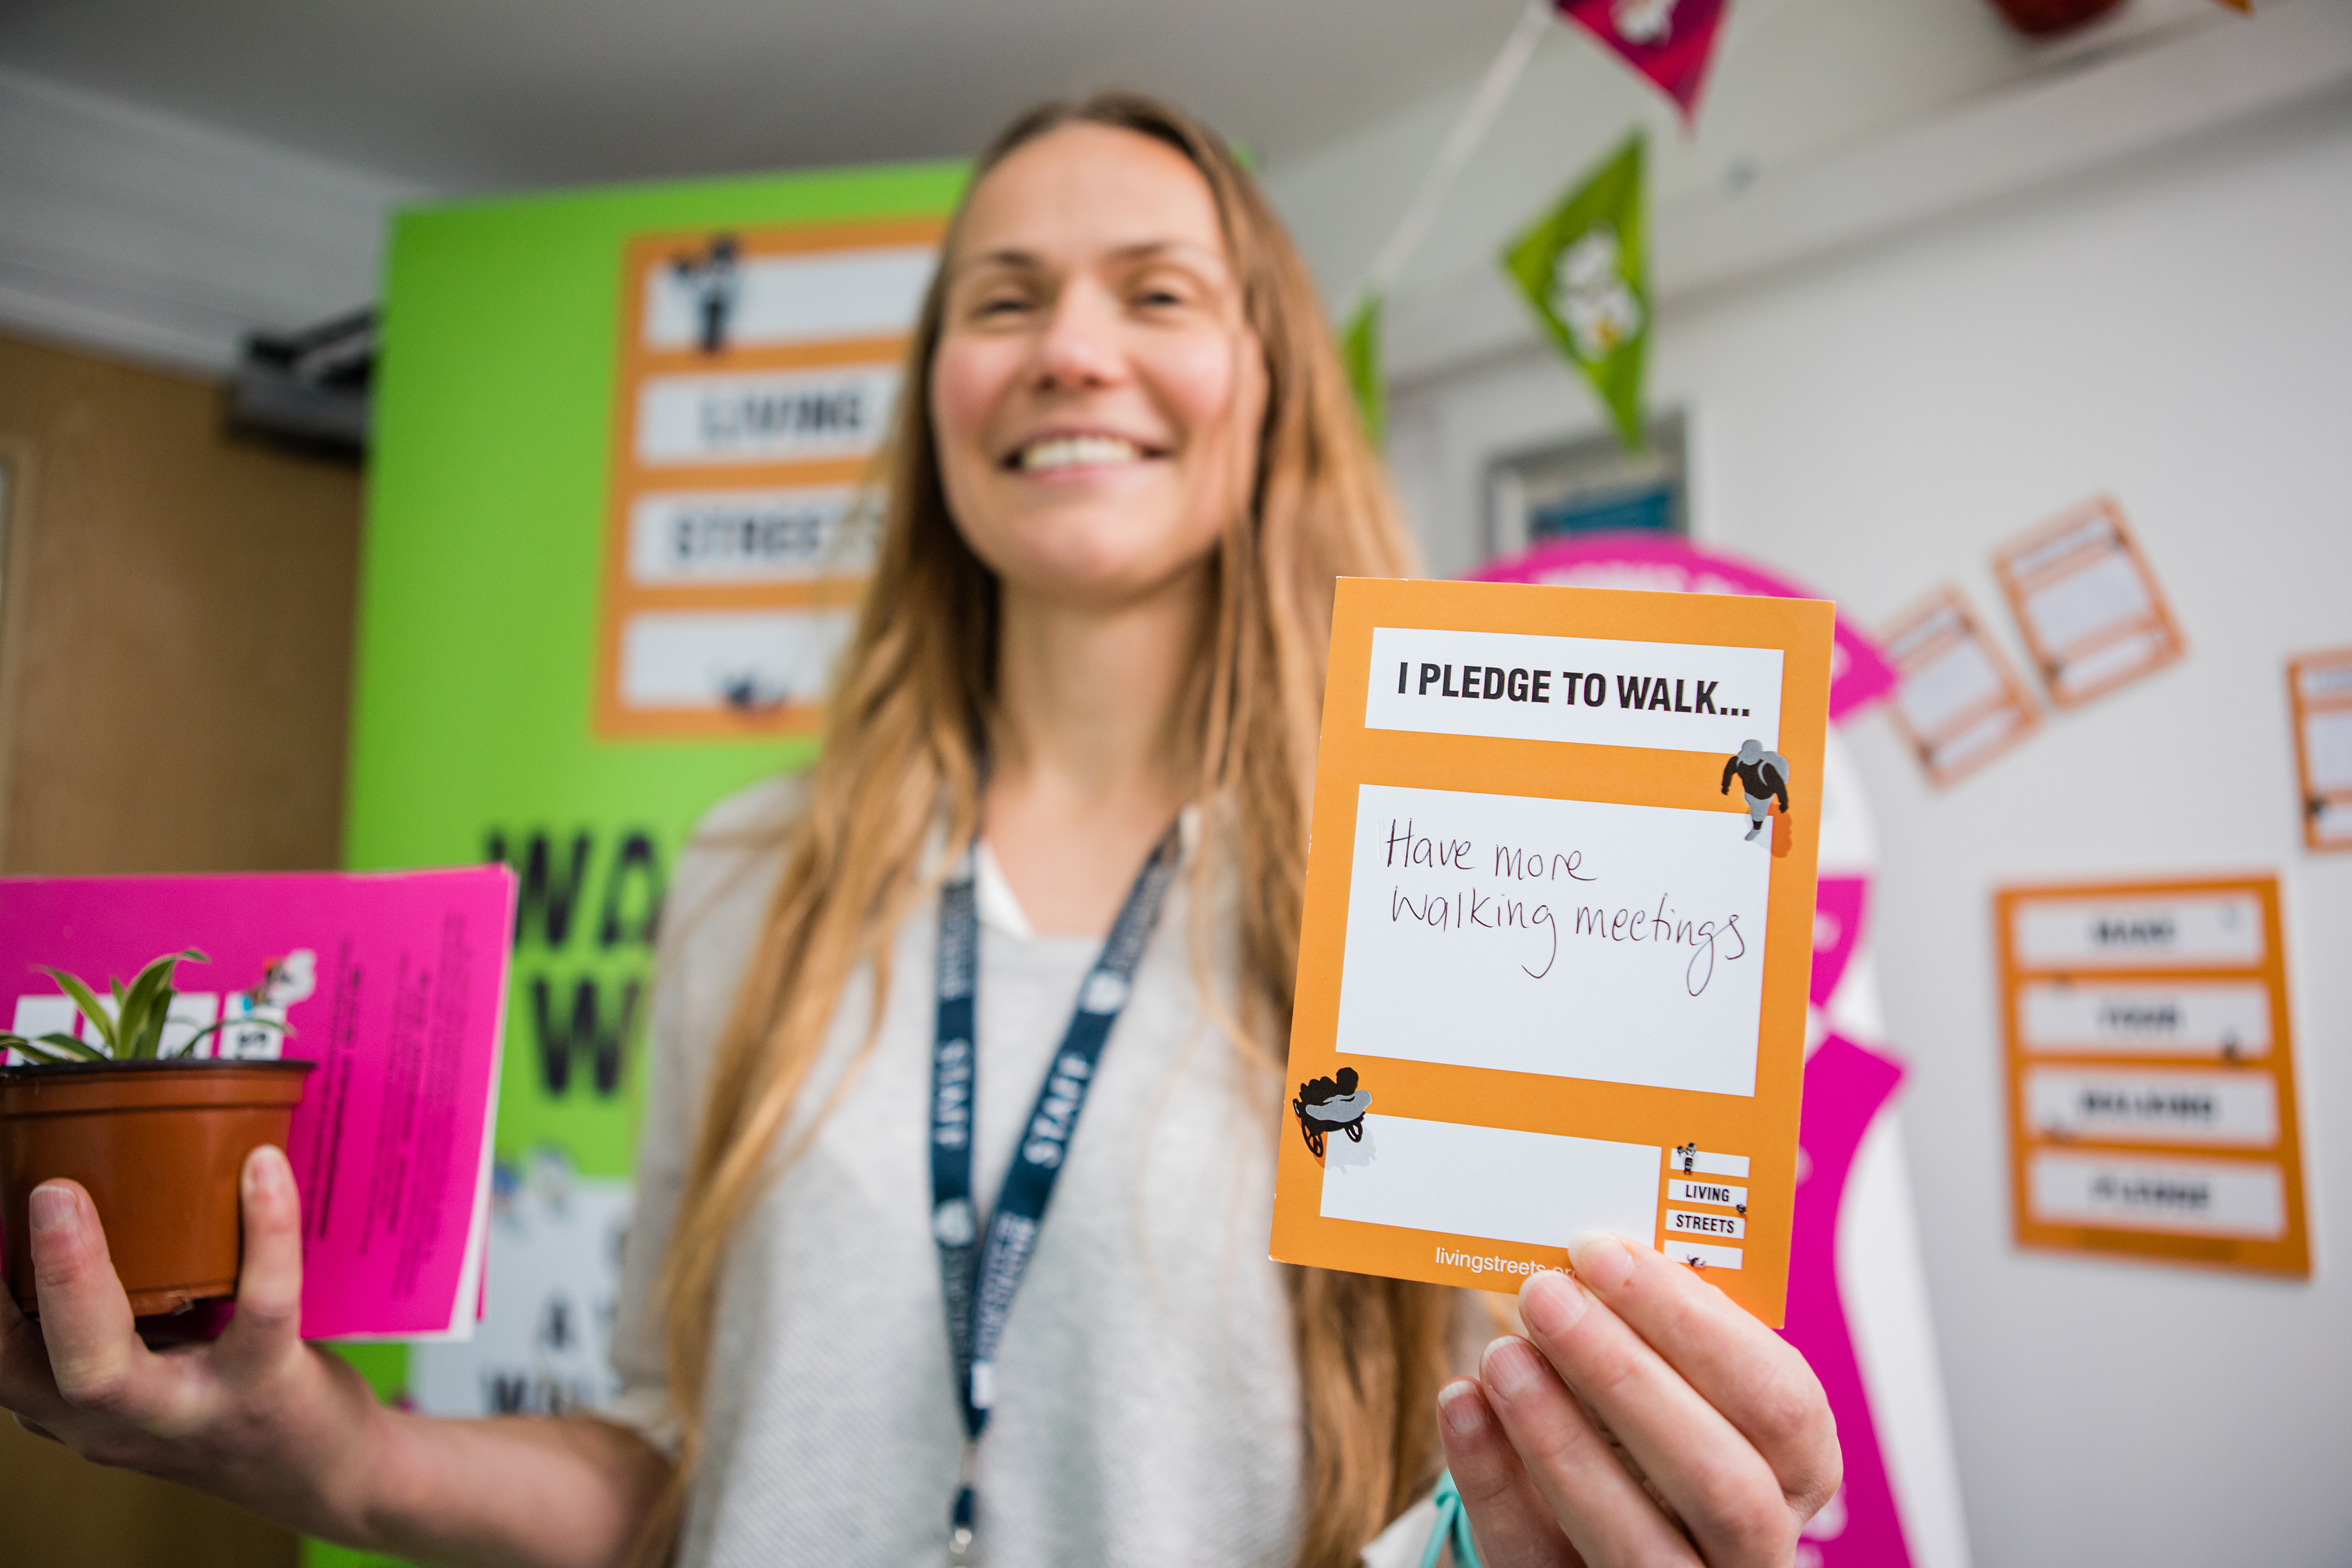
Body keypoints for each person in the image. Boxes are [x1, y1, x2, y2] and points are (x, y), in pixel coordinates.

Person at [0, 93, 1838, 1568]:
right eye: (1003, 298)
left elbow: (1494, 1474)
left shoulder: (1463, 878)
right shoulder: (749, 875)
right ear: (937, 398)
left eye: (1160, 292)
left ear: (1267, 383)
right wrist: (338, 1451)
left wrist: (1620, 1504)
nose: (1071, 351)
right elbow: (678, 1458)